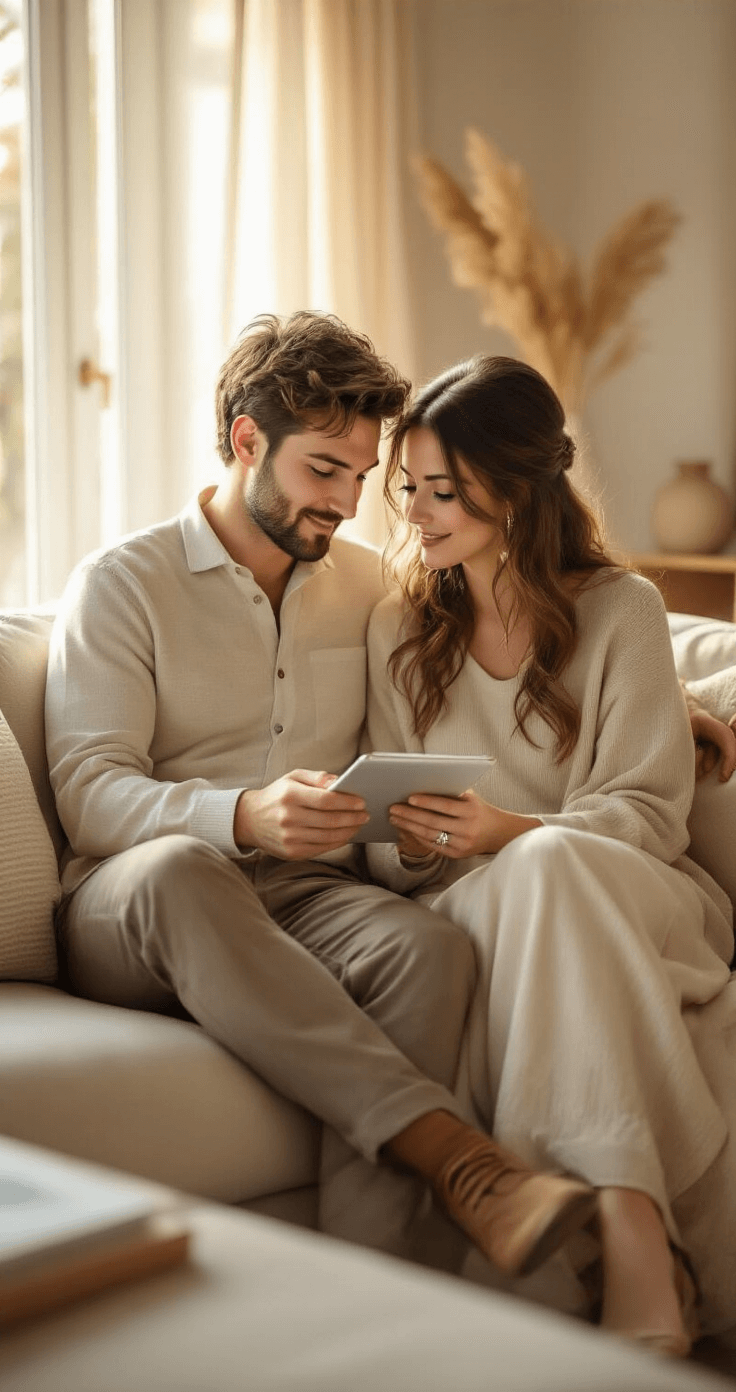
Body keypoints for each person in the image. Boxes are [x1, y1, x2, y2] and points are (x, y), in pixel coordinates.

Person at [44, 313, 599, 1279]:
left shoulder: (368, 587)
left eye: (358, 472)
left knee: (426, 948)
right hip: (136, 900)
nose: (346, 500)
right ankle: (463, 1162)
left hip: (302, 896)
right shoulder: (123, 586)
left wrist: (675, 704)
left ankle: (374, 1291)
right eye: (321, 470)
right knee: (181, 866)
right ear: (246, 440)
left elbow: (519, 631)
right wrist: (244, 815)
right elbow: (92, 795)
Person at [365, 354, 736, 1355]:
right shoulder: (400, 626)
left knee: (550, 866)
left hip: (635, 895)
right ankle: (640, 1240)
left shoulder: (622, 610)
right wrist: (410, 837)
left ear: (515, 488)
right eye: (407, 490)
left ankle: (628, 1237)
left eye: (442, 492)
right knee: (534, 875)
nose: (415, 514)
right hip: (474, 907)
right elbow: (389, 854)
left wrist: (514, 832)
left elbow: (650, 812)